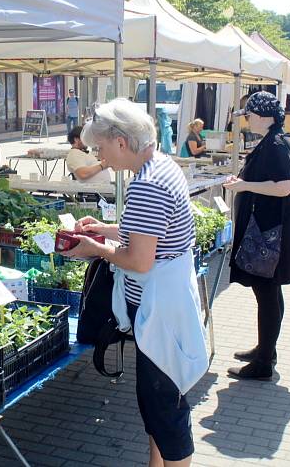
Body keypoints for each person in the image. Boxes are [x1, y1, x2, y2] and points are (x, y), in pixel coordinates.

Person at [61, 98, 205, 466]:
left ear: (122, 142)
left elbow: (139, 260)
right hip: (169, 304)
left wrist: (97, 249)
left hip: (159, 312)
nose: (101, 155)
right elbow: (147, 234)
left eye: (103, 147)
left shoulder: (146, 185)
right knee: (160, 404)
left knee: (163, 406)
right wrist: (105, 230)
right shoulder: (162, 167)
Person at [223, 91, 290, 381]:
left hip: (270, 233)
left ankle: (263, 363)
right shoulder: (273, 142)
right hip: (269, 230)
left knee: (267, 294)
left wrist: (245, 186)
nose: (246, 120)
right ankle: (266, 350)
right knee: (269, 294)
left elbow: (284, 187)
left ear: (263, 115)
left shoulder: (276, 145)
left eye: (249, 114)